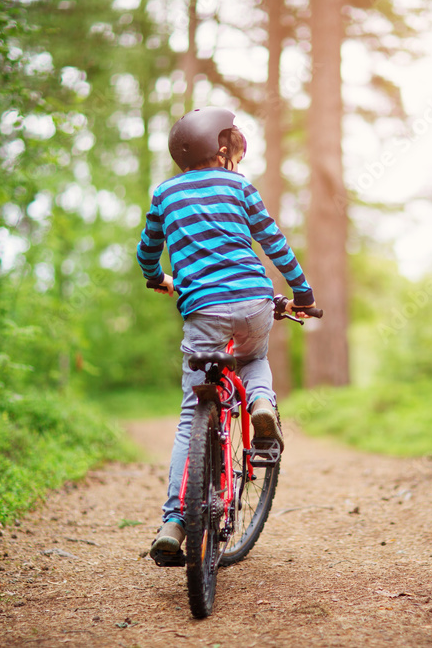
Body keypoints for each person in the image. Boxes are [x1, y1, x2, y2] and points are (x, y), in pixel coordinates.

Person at [136, 107, 317, 562]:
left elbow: (147, 251)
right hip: (254, 302)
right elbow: (273, 241)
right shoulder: (239, 186)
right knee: (254, 360)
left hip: (203, 313)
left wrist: (155, 276)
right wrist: (303, 293)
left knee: (190, 412)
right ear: (219, 147)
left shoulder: (164, 194)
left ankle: (175, 522)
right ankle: (260, 402)